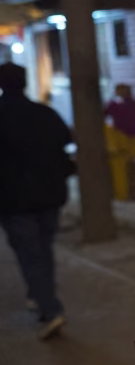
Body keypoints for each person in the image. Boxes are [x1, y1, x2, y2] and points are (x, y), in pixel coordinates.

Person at [0, 62, 74, 339]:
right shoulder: (45, 114)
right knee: (43, 250)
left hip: (14, 201)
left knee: (30, 254)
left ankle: (50, 310)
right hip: (50, 196)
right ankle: (39, 295)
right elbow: (65, 143)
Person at [104, 82, 135, 200]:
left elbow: (103, 114)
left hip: (125, 140)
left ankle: (125, 195)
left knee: (125, 170)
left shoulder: (115, 106)